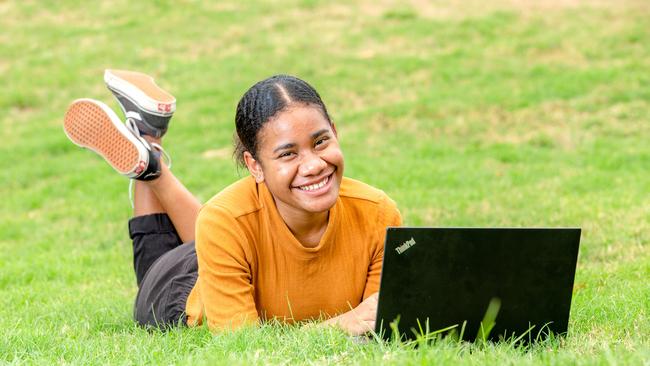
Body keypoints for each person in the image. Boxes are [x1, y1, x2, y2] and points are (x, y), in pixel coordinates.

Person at [63, 70, 402, 335]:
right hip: (180, 290)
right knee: (170, 256)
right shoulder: (226, 221)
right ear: (254, 165)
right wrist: (340, 325)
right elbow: (243, 342)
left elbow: (375, 321)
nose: (314, 165)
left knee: (222, 226)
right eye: (287, 153)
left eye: (321, 141)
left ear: (336, 132)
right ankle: (150, 159)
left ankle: (148, 140)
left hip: (230, 250)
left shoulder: (377, 213)